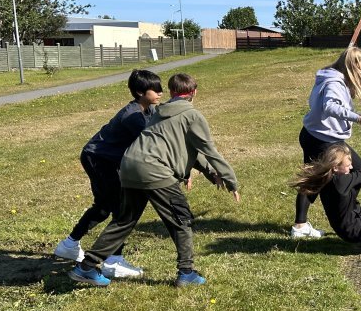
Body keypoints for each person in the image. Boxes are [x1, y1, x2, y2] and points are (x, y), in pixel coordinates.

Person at [69, 73, 240, 288]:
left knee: (124, 220)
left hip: (129, 166)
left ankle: (86, 267)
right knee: (181, 220)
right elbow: (208, 150)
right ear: (194, 92)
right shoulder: (192, 115)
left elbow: (184, 148)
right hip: (154, 171)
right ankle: (186, 273)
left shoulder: (157, 112)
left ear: (171, 92)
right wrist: (230, 180)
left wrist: (203, 172)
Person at [53, 69, 162, 278]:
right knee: (120, 208)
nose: (160, 92)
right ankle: (113, 261)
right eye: (154, 89)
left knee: (104, 207)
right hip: (98, 159)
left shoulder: (146, 110)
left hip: (105, 160)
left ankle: (69, 245)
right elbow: (151, 145)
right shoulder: (134, 117)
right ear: (140, 92)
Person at [291, 47, 361, 239]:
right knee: (356, 170)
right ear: (351, 66)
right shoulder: (333, 83)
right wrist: (357, 118)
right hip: (321, 139)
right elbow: (329, 106)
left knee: (315, 179)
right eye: (360, 68)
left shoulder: (332, 76)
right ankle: (340, 213)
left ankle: (302, 224)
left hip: (317, 135)